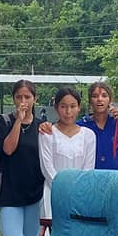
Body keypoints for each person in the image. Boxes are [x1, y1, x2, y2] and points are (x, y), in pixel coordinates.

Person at [0, 80, 46, 236]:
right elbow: (8, 149)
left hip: (35, 192)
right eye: (19, 97)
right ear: (13, 99)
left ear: (35, 99)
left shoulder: (41, 126)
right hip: (10, 191)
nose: (23, 101)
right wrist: (18, 121)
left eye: (27, 97)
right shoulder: (4, 121)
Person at [39, 88, 96, 221]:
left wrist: (77, 191)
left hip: (80, 195)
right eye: (63, 106)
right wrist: (62, 189)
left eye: (72, 106)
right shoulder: (47, 133)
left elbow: (88, 169)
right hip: (53, 193)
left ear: (79, 107)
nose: (68, 111)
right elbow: (47, 167)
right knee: (52, 230)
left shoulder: (88, 135)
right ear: (56, 108)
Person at [79, 81, 118, 170]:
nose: (99, 99)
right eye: (95, 96)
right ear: (90, 101)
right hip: (90, 175)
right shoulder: (82, 125)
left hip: (115, 175)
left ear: (110, 100)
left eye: (104, 96)